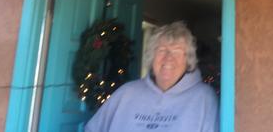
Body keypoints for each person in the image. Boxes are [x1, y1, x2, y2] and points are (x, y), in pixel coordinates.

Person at [85, 21, 219, 132]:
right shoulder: (126, 93)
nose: (168, 58)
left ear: (188, 60)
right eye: (161, 50)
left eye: (177, 51)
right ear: (152, 56)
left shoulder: (204, 98)